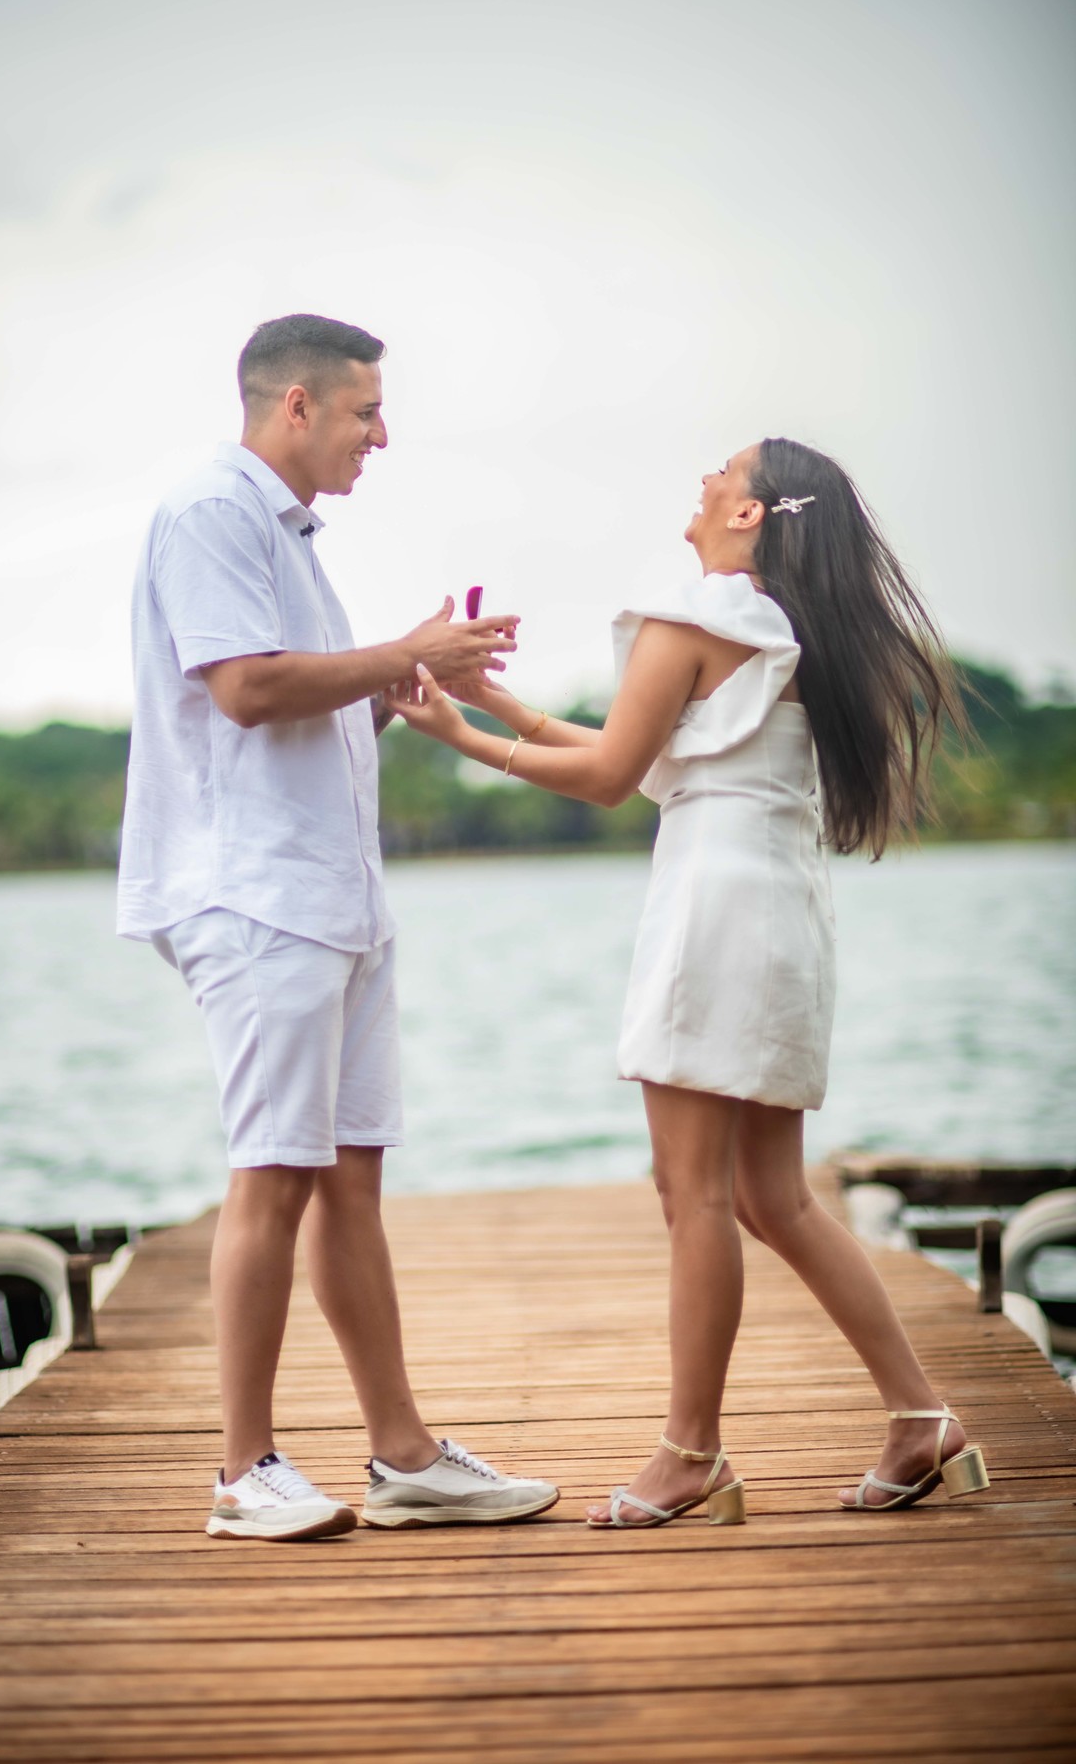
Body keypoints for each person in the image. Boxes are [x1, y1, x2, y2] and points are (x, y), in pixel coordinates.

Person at [387, 437, 990, 1526]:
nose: (706, 475)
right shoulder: (789, 633)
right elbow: (664, 753)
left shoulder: (699, 610)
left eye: (726, 466)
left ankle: (690, 1455)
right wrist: (504, 713)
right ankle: (918, 1416)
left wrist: (467, 742)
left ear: (755, 512)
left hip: (714, 910)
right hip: (782, 909)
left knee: (696, 1194)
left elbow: (615, 775)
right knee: (771, 1195)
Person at [117, 314, 559, 1540]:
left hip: (331, 895)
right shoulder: (214, 510)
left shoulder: (290, 535)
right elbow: (248, 691)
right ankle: (241, 1472)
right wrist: (394, 651)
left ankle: (403, 1455)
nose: (383, 432)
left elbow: (305, 715)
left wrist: (408, 683)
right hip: (253, 895)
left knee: (351, 1172)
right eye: (367, 409)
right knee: (274, 1174)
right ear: (296, 406)